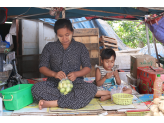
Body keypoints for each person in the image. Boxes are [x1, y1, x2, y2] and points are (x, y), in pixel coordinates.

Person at [31, 19, 97, 110]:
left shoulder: (80, 47)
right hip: (54, 84)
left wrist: (76, 74)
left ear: (72, 32)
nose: (65, 39)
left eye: (67, 35)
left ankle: (54, 103)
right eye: (60, 36)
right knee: (36, 88)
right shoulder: (50, 47)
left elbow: (87, 68)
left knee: (91, 88)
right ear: (56, 35)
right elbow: (42, 67)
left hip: (76, 84)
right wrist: (54, 74)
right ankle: (73, 100)